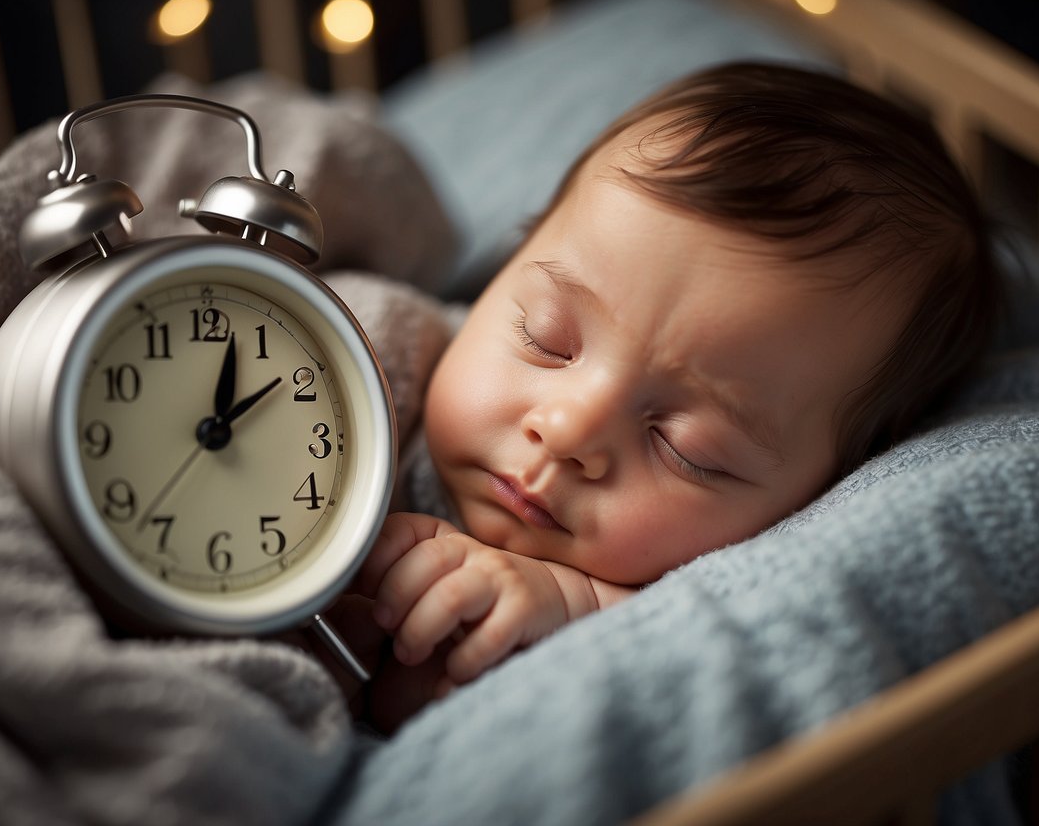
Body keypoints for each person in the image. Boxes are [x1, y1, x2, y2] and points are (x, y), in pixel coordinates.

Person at [335, 60, 1001, 731]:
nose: (568, 431)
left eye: (688, 450)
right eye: (548, 339)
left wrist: (573, 609)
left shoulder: (683, 621)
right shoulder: (372, 361)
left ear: (823, 493)